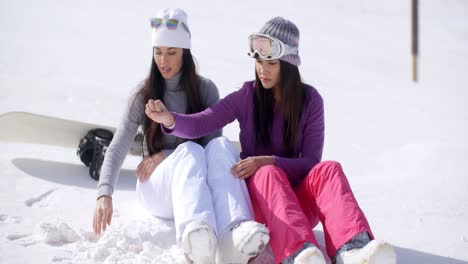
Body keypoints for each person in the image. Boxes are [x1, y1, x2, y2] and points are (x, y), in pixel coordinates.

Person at [145, 16, 398, 264]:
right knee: (267, 174)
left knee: (328, 169)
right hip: (262, 206)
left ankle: (352, 249)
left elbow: (311, 161)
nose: (262, 70)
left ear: (288, 64)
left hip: (297, 205)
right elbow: (203, 121)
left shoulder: (310, 100)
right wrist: (169, 119)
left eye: (271, 63)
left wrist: (271, 160)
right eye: (258, 61)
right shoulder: (247, 96)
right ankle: (299, 254)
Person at [92, 8, 269, 264]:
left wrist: (164, 154)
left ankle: (234, 234)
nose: (163, 60)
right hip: (154, 187)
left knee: (219, 144)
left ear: (185, 53)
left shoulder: (206, 89)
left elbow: (211, 155)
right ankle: (195, 238)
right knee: (190, 151)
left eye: (171, 52)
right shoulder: (143, 94)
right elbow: (119, 145)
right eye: (158, 52)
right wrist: (104, 194)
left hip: (191, 182)